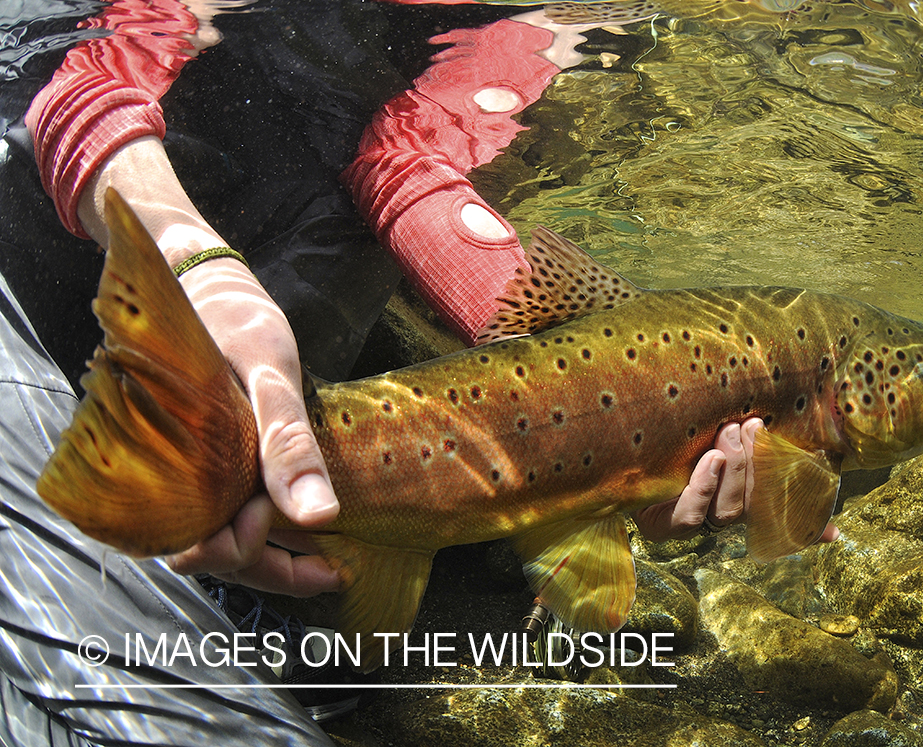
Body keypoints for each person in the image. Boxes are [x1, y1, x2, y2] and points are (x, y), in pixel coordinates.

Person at [0, 0, 832, 743]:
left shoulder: (528, 22)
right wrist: (195, 260)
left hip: (210, 314)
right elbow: (84, 83)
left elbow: (401, 163)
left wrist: (619, 398)